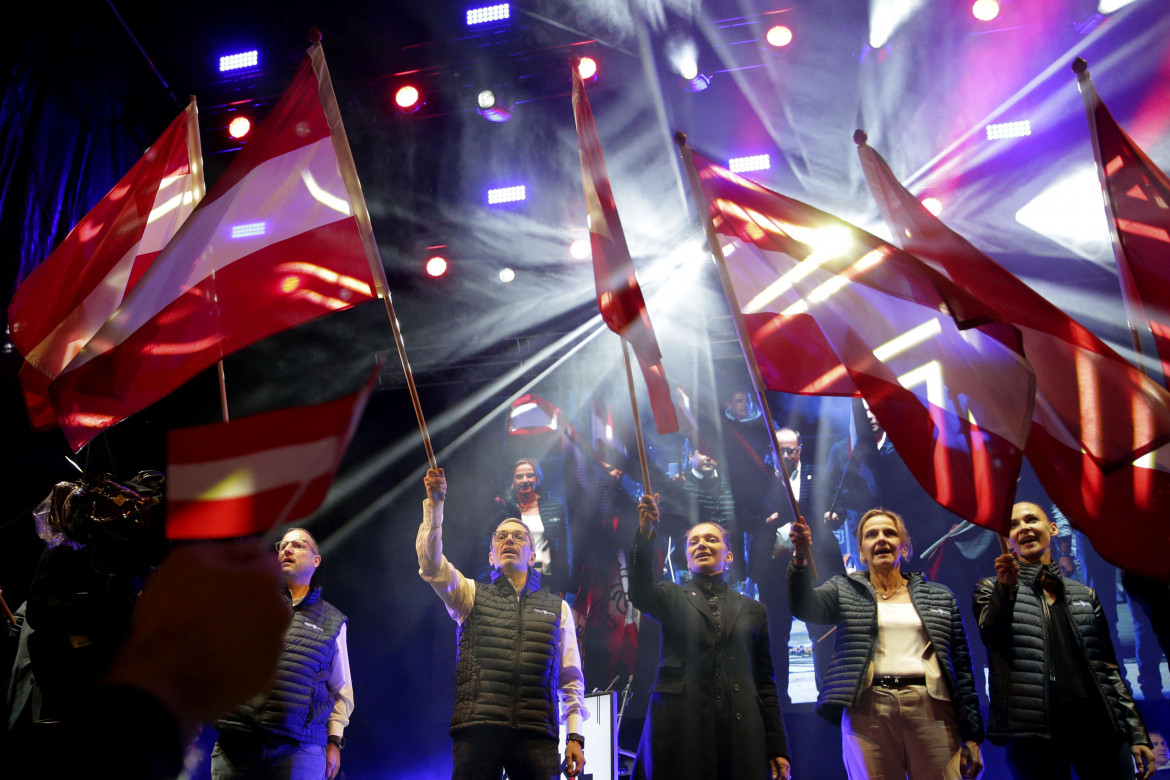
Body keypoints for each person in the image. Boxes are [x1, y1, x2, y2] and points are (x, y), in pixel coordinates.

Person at [788, 509, 984, 780]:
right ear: (861, 551)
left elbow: (962, 666)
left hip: (932, 708)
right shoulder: (843, 589)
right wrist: (800, 557)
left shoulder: (938, 596)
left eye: (889, 533)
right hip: (868, 709)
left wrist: (973, 736)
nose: (881, 539)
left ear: (904, 547)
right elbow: (803, 606)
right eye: (871, 535)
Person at [418, 468, 588, 779]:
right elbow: (431, 565)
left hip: (537, 735)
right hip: (478, 731)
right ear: (491, 557)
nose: (509, 539)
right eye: (501, 536)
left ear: (533, 556)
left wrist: (575, 735)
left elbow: (570, 677)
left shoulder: (557, 607)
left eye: (519, 535)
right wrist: (435, 505)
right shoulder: (469, 594)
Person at [974, 501, 1156, 779]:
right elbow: (992, 637)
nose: (1024, 528)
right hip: (1034, 731)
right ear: (1007, 540)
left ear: (1053, 528)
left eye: (1031, 519)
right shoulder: (990, 589)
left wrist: (1137, 733)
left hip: (1097, 725)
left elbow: (1108, 668)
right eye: (1013, 525)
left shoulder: (1084, 594)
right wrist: (1006, 590)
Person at [628, 493, 791, 780]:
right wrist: (645, 534)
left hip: (741, 733)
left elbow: (766, 683)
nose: (702, 544)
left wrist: (778, 746)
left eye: (711, 539)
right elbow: (640, 590)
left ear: (728, 555)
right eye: (694, 542)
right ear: (687, 557)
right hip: (681, 732)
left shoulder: (754, 610)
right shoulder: (670, 596)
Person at [213, 528, 354, 780]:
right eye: (282, 546)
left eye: (298, 545)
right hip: (237, 742)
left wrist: (334, 740)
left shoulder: (333, 621)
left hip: (299, 750)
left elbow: (341, 690)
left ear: (316, 560)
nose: (287, 550)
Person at [754, 427, 845, 700]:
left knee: (822, 631)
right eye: (778, 450)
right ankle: (779, 699)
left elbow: (834, 510)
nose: (784, 456)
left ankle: (828, 695)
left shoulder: (818, 475)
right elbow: (749, 518)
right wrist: (765, 523)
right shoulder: (759, 479)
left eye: (790, 450)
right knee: (775, 635)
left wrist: (834, 516)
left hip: (817, 568)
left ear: (800, 449)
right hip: (774, 571)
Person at [496, 458, 572, 595]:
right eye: (519, 476)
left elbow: (563, 549)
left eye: (530, 475)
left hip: (547, 580)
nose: (525, 480)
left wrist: (562, 585)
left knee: (548, 616)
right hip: (513, 578)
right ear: (513, 480)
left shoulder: (554, 506)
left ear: (538, 477)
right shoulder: (505, 508)